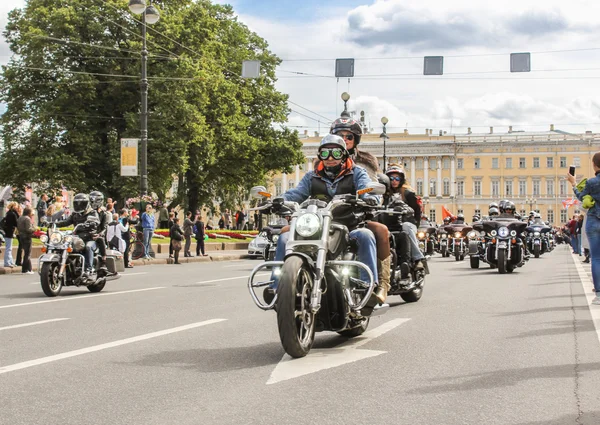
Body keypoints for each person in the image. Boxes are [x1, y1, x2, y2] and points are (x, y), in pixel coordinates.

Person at [266, 134, 383, 304]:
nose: (330, 158)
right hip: (317, 226)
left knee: (365, 235)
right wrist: (279, 200)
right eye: (325, 154)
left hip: (348, 225)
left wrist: (370, 197)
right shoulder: (312, 176)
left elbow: (366, 188)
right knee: (284, 238)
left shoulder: (357, 172)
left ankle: (367, 288)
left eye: (335, 153)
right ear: (319, 156)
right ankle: (277, 288)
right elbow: (296, 194)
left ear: (343, 155)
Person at [330, 116, 392, 292]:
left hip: (357, 215)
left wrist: (370, 198)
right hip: (326, 216)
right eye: (339, 135)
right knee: (287, 232)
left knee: (381, 231)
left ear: (355, 140)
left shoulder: (365, 162)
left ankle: (382, 282)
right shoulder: (323, 160)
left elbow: (371, 186)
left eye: (348, 136)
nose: (344, 140)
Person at [570, 154, 600, 304]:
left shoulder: (591, 182)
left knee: (596, 258)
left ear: (595, 165)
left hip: (594, 221)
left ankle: (599, 295)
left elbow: (581, 197)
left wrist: (573, 183)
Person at [383, 165, 426, 270]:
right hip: (388, 224)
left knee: (406, 227)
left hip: (406, 222)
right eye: (391, 178)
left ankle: (417, 258)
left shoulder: (407, 193)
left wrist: (409, 214)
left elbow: (416, 210)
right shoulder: (384, 193)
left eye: (397, 178)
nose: (394, 181)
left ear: (401, 179)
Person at [53, 194, 101, 275]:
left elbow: (97, 222)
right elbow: (66, 222)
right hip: (77, 237)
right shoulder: (75, 214)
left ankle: (88, 269)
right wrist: (54, 223)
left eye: (81, 203)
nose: (79, 205)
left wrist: (91, 223)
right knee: (65, 246)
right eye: (77, 203)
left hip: (89, 237)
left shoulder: (92, 212)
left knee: (88, 247)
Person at [89, 191, 110, 272]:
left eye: (95, 201)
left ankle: (103, 261)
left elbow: (105, 227)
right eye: (91, 200)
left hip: (97, 234)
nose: (93, 202)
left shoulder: (103, 213)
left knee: (100, 239)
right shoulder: (87, 212)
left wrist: (99, 234)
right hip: (87, 234)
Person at [17, 207, 35, 274]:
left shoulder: (20, 218)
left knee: (26, 253)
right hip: (27, 237)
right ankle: (26, 269)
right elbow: (28, 229)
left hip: (21, 236)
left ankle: (28, 269)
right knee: (27, 254)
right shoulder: (27, 219)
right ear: (29, 212)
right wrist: (34, 229)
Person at [2, 202, 19, 268]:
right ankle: (7, 262)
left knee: (9, 248)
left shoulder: (8, 213)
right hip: (10, 232)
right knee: (8, 248)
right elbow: (16, 223)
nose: (17, 207)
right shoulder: (13, 214)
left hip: (7, 232)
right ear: (14, 206)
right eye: (16, 206)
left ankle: (11, 261)